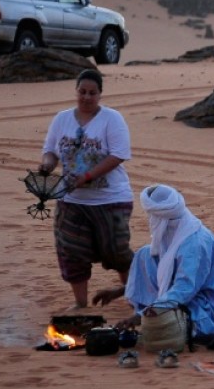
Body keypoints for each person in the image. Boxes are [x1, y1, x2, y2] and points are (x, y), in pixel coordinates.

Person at [92, 184, 214, 349]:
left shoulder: (194, 244)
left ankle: (157, 315)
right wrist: (119, 291)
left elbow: (184, 290)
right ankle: (155, 312)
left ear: (160, 217)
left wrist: (141, 317)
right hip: (185, 298)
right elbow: (166, 271)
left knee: (168, 326)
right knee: (145, 254)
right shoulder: (175, 233)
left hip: (208, 311)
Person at [39, 68, 134, 310]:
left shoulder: (112, 119)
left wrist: (87, 176)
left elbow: (119, 154)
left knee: (116, 252)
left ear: (100, 94)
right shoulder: (62, 119)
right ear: (76, 92)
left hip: (110, 198)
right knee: (71, 250)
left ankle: (136, 297)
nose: (87, 97)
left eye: (92, 93)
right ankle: (80, 303)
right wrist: (48, 165)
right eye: (82, 92)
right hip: (71, 199)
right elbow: (50, 150)